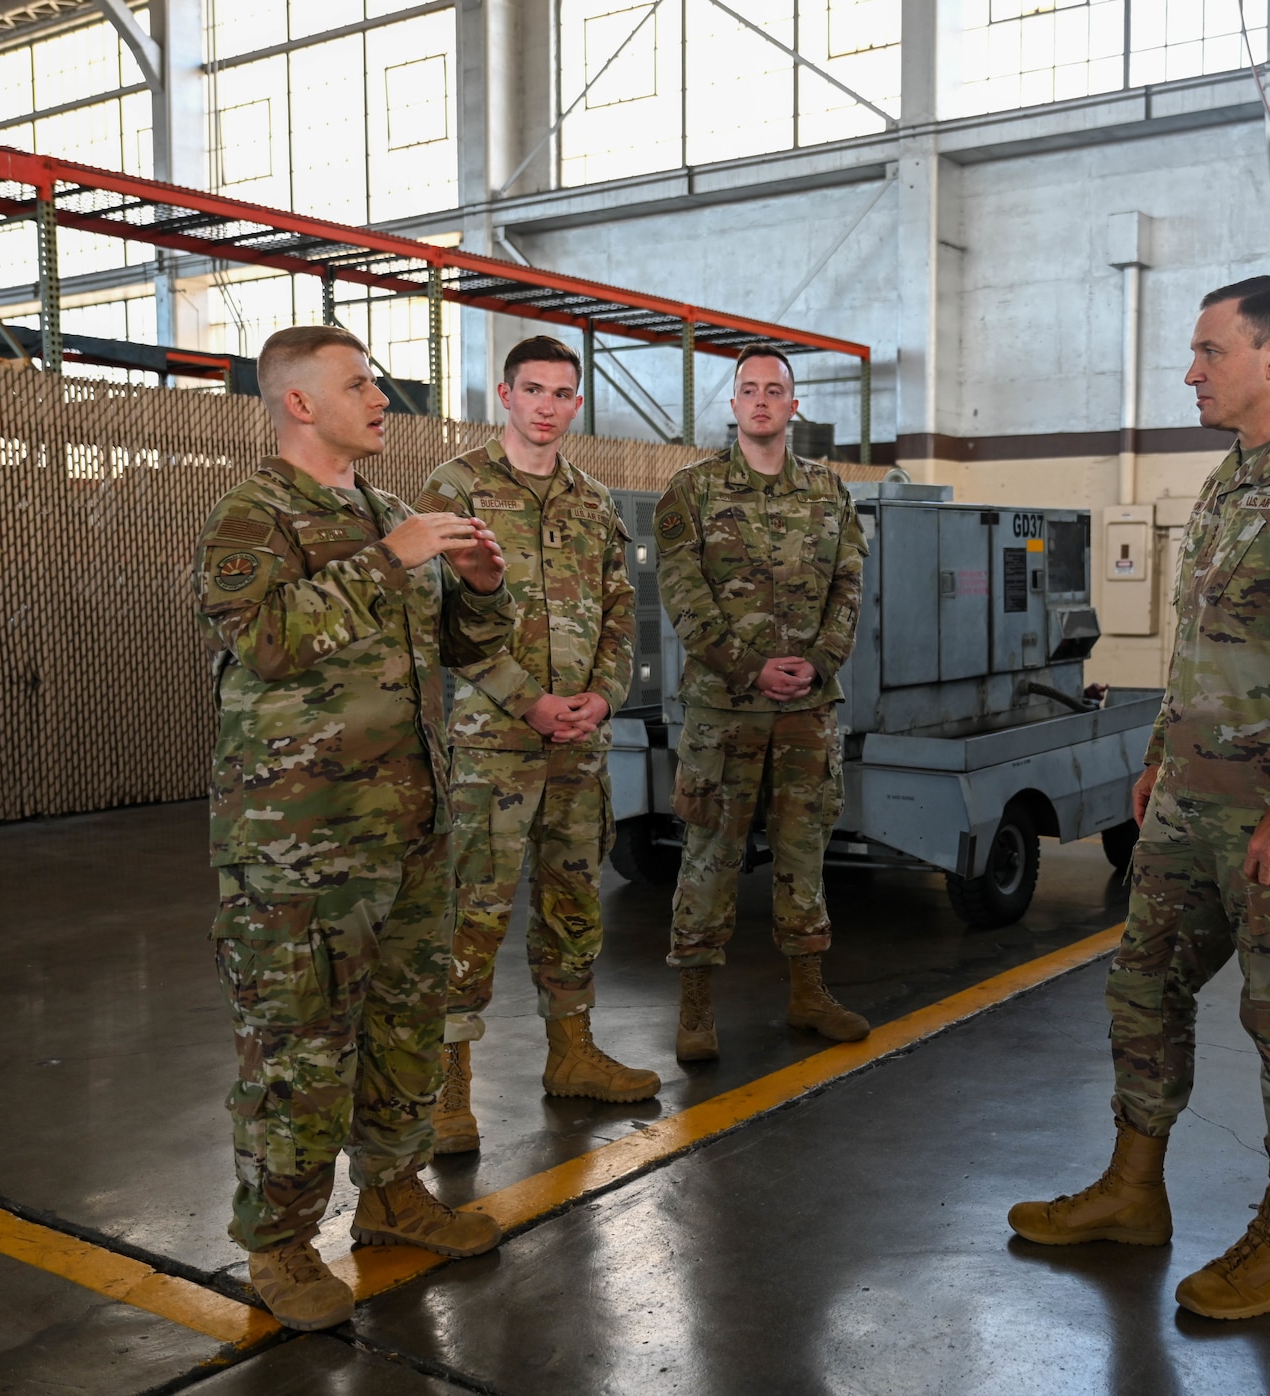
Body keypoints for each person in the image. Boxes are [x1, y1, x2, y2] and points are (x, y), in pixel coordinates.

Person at [1007, 276, 1270, 1323]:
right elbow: (1200, 647)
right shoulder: (1232, 481)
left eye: (1206, 351)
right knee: (1141, 989)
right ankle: (1131, 1190)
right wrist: (1156, 752)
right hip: (1187, 803)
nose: (1190, 371)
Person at [195, 325, 510, 1332]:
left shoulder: (387, 511)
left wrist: (486, 591)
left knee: (404, 1028)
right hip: (301, 848)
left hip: (411, 830)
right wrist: (391, 558)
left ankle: (391, 1192)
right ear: (298, 402)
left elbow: (450, 646)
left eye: (375, 380)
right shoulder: (252, 516)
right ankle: (278, 1245)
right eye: (357, 382)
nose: (380, 396)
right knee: (297, 1047)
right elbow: (270, 639)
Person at [419, 335, 655, 1151]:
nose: (548, 405)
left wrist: (604, 695)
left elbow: (622, 611)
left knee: (573, 900)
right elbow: (441, 624)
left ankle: (572, 1053)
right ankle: (448, 1093)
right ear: (506, 396)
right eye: (534, 389)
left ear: (576, 405)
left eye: (562, 392)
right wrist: (530, 702)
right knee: (472, 911)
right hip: (495, 746)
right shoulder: (458, 488)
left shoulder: (593, 503)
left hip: (580, 747)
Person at [653, 345, 870, 1061]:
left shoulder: (830, 493)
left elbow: (849, 586)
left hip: (808, 707)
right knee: (710, 853)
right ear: (734, 404)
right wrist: (748, 667)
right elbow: (684, 598)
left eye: (775, 390)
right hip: (725, 709)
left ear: (794, 405)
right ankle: (694, 1008)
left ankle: (808, 991)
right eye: (749, 390)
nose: (762, 401)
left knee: (805, 851)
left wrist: (819, 662)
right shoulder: (692, 491)